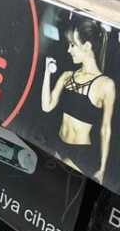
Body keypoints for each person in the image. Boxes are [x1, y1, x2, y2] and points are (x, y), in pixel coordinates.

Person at [42, 19, 116, 184]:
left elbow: (106, 128)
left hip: (80, 154)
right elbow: (47, 106)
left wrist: (102, 169)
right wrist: (47, 73)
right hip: (59, 144)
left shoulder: (106, 84)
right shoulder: (67, 76)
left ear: (87, 46)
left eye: (72, 45)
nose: (69, 50)